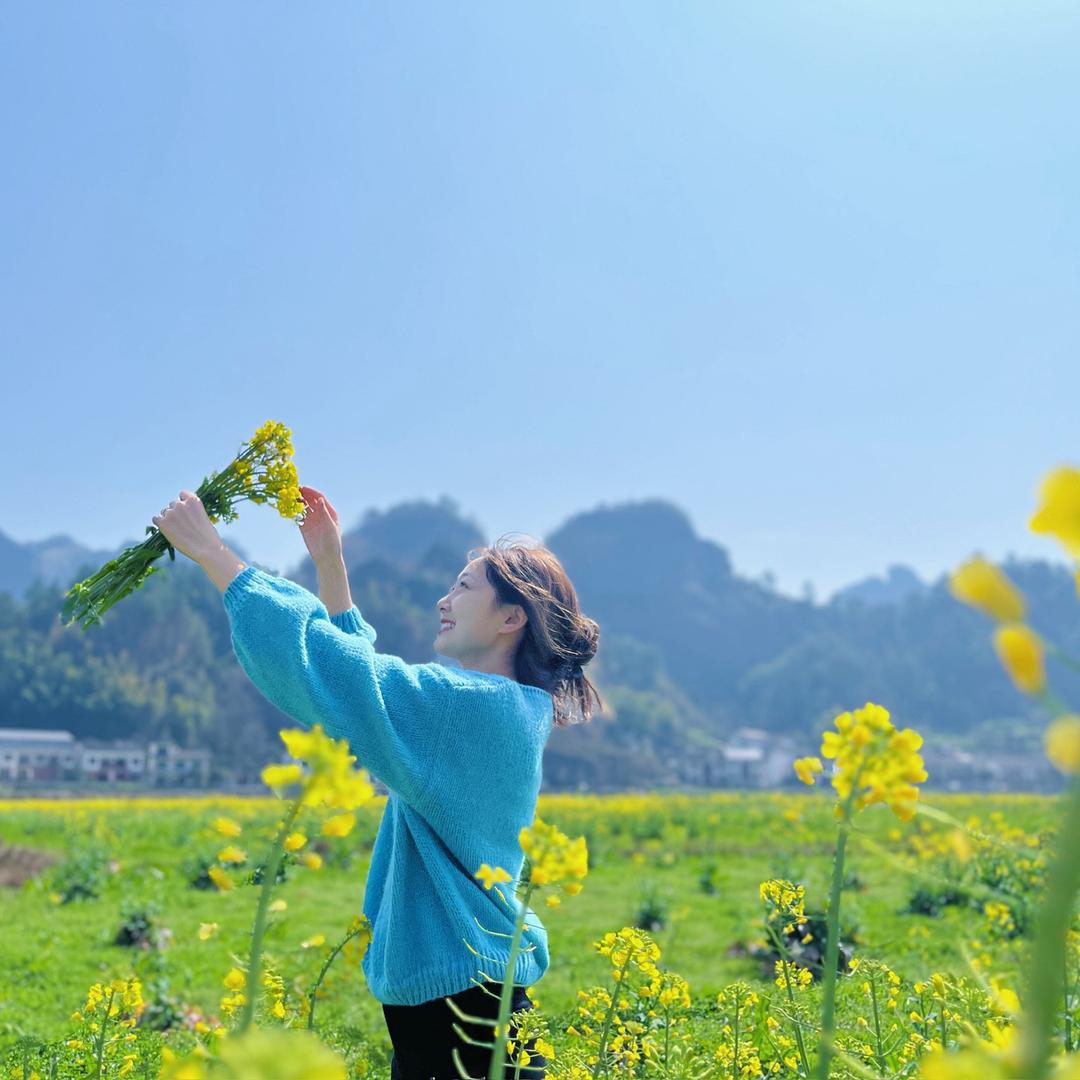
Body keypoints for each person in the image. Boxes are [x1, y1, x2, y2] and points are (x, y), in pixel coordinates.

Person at [152, 486, 603, 1079]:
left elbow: (346, 680)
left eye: (464, 588)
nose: (444, 600)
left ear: (511, 618)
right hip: (469, 992)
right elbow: (370, 698)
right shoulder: (502, 708)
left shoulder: (470, 710)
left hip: (462, 1006)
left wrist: (217, 557)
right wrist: (330, 569)